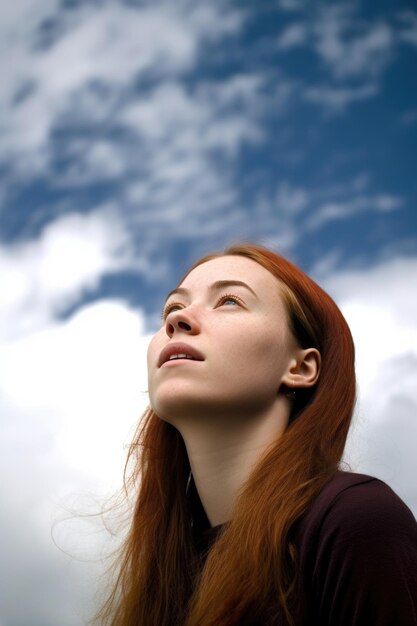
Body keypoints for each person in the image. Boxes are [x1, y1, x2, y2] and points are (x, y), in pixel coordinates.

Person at [96, 243, 417, 626]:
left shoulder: (356, 521)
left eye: (229, 301)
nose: (177, 322)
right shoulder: (165, 575)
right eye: (172, 309)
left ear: (300, 367)